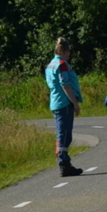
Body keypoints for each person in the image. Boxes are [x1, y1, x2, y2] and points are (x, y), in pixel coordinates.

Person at [45, 37, 83, 177]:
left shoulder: (51, 64)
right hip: (64, 102)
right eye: (69, 51)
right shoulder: (62, 64)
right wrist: (75, 103)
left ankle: (64, 161)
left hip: (55, 101)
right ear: (64, 51)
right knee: (65, 134)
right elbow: (65, 84)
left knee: (62, 133)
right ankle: (64, 163)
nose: (70, 54)